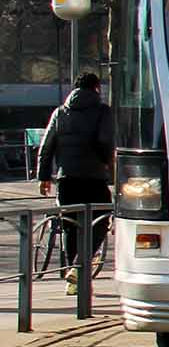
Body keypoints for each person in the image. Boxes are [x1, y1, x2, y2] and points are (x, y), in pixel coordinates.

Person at [37, 72, 115, 292]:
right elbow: (105, 142)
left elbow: (46, 148)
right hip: (94, 179)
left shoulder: (60, 113)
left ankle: (74, 279)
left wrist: (44, 177)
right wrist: (109, 168)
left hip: (67, 180)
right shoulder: (102, 112)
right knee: (100, 222)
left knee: (71, 228)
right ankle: (81, 267)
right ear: (97, 88)